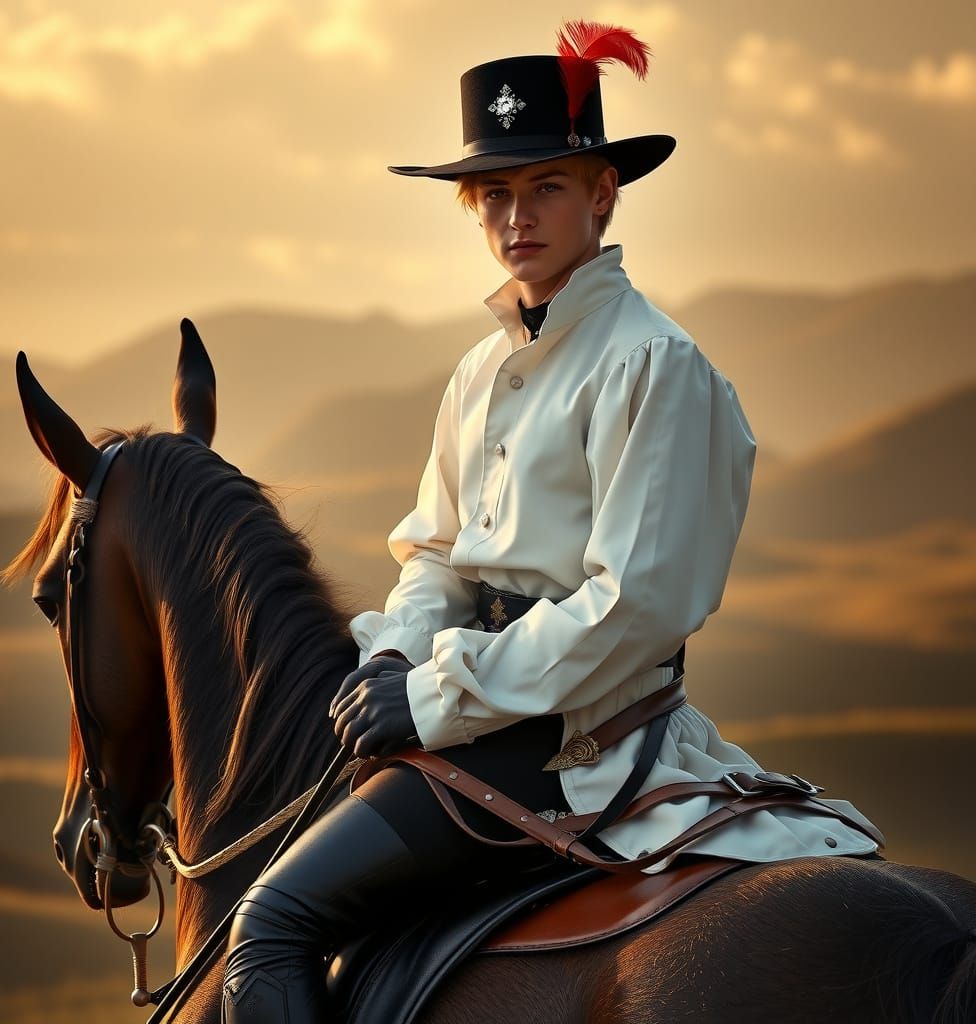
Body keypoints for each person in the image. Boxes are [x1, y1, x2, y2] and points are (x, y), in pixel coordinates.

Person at [220, 20, 881, 1022]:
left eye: (544, 188)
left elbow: (635, 607)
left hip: (568, 739)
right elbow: (438, 551)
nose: (515, 217)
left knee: (269, 921)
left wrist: (436, 697)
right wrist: (395, 659)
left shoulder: (654, 364)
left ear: (602, 193)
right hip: (470, 709)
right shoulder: (479, 370)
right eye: (493, 195)